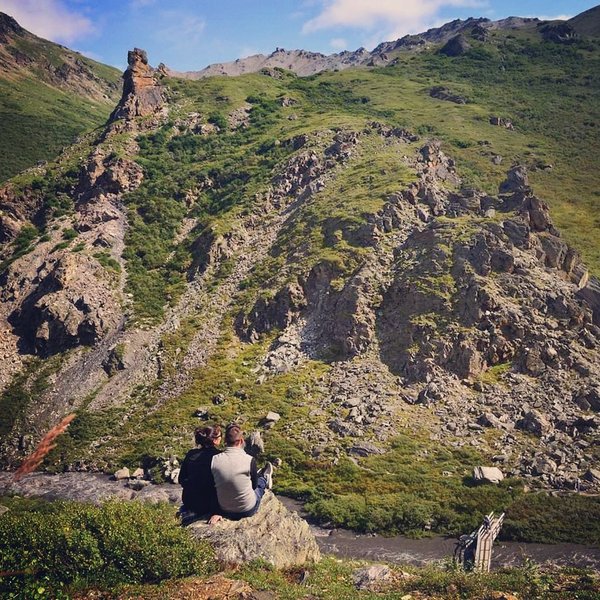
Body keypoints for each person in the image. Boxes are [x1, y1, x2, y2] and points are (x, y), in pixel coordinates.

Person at [210, 423, 273, 522]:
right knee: (259, 486)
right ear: (241, 441)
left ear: (225, 441)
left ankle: (261, 476)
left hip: (224, 510)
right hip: (247, 510)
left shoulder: (214, 459)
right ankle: (264, 478)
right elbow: (253, 486)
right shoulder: (249, 460)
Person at [178, 424, 222, 524]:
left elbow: (181, 479)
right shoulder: (219, 456)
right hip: (209, 503)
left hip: (189, 501)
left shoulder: (191, 454)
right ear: (214, 440)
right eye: (220, 436)